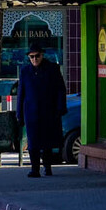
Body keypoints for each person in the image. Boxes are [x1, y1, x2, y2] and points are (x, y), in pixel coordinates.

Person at [16, 46, 66, 177]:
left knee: (47, 141)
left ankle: (48, 167)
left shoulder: (52, 69)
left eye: (36, 56)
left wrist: (61, 107)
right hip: (31, 111)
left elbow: (61, 89)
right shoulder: (25, 71)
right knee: (33, 141)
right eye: (31, 57)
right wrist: (19, 114)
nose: (34, 59)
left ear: (42, 55)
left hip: (49, 110)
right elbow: (21, 93)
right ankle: (35, 169)